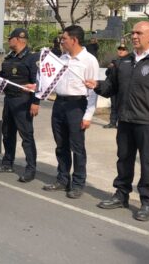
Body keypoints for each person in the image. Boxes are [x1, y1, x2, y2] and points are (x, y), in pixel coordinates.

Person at [85, 21, 149, 221]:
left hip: (148, 122)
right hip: (125, 120)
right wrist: (97, 86)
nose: (134, 36)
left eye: (139, 33)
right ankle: (121, 194)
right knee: (124, 158)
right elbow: (111, 89)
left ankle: (147, 201)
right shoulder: (124, 62)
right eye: (132, 33)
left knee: (148, 162)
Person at [42, 25, 99, 198]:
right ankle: (62, 179)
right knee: (61, 145)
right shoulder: (62, 58)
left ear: (74, 40)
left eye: (64, 38)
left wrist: (88, 115)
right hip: (59, 104)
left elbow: (93, 90)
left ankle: (78, 183)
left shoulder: (89, 60)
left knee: (77, 147)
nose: (61, 41)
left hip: (77, 106)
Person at [0, 28, 40, 183]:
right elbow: (2, 77)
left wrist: (36, 102)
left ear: (17, 39)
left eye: (10, 38)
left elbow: (38, 83)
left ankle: (30, 169)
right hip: (9, 100)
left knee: (26, 136)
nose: (8, 40)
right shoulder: (10, 57)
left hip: (24, 101)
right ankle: (7, 163)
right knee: (7, 133)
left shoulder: (32, 59)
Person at [103, 44, 130, 129]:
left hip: (124, 87)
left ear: (127, 51)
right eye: (119, 49)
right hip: (114, 87)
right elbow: (107, 74)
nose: (120, 51)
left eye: (123, 49)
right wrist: (110, 68)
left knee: (123, 106)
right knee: (114, 105)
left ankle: (123, 124)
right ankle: (112, 122)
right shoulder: (114, 61)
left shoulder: (131, 61)